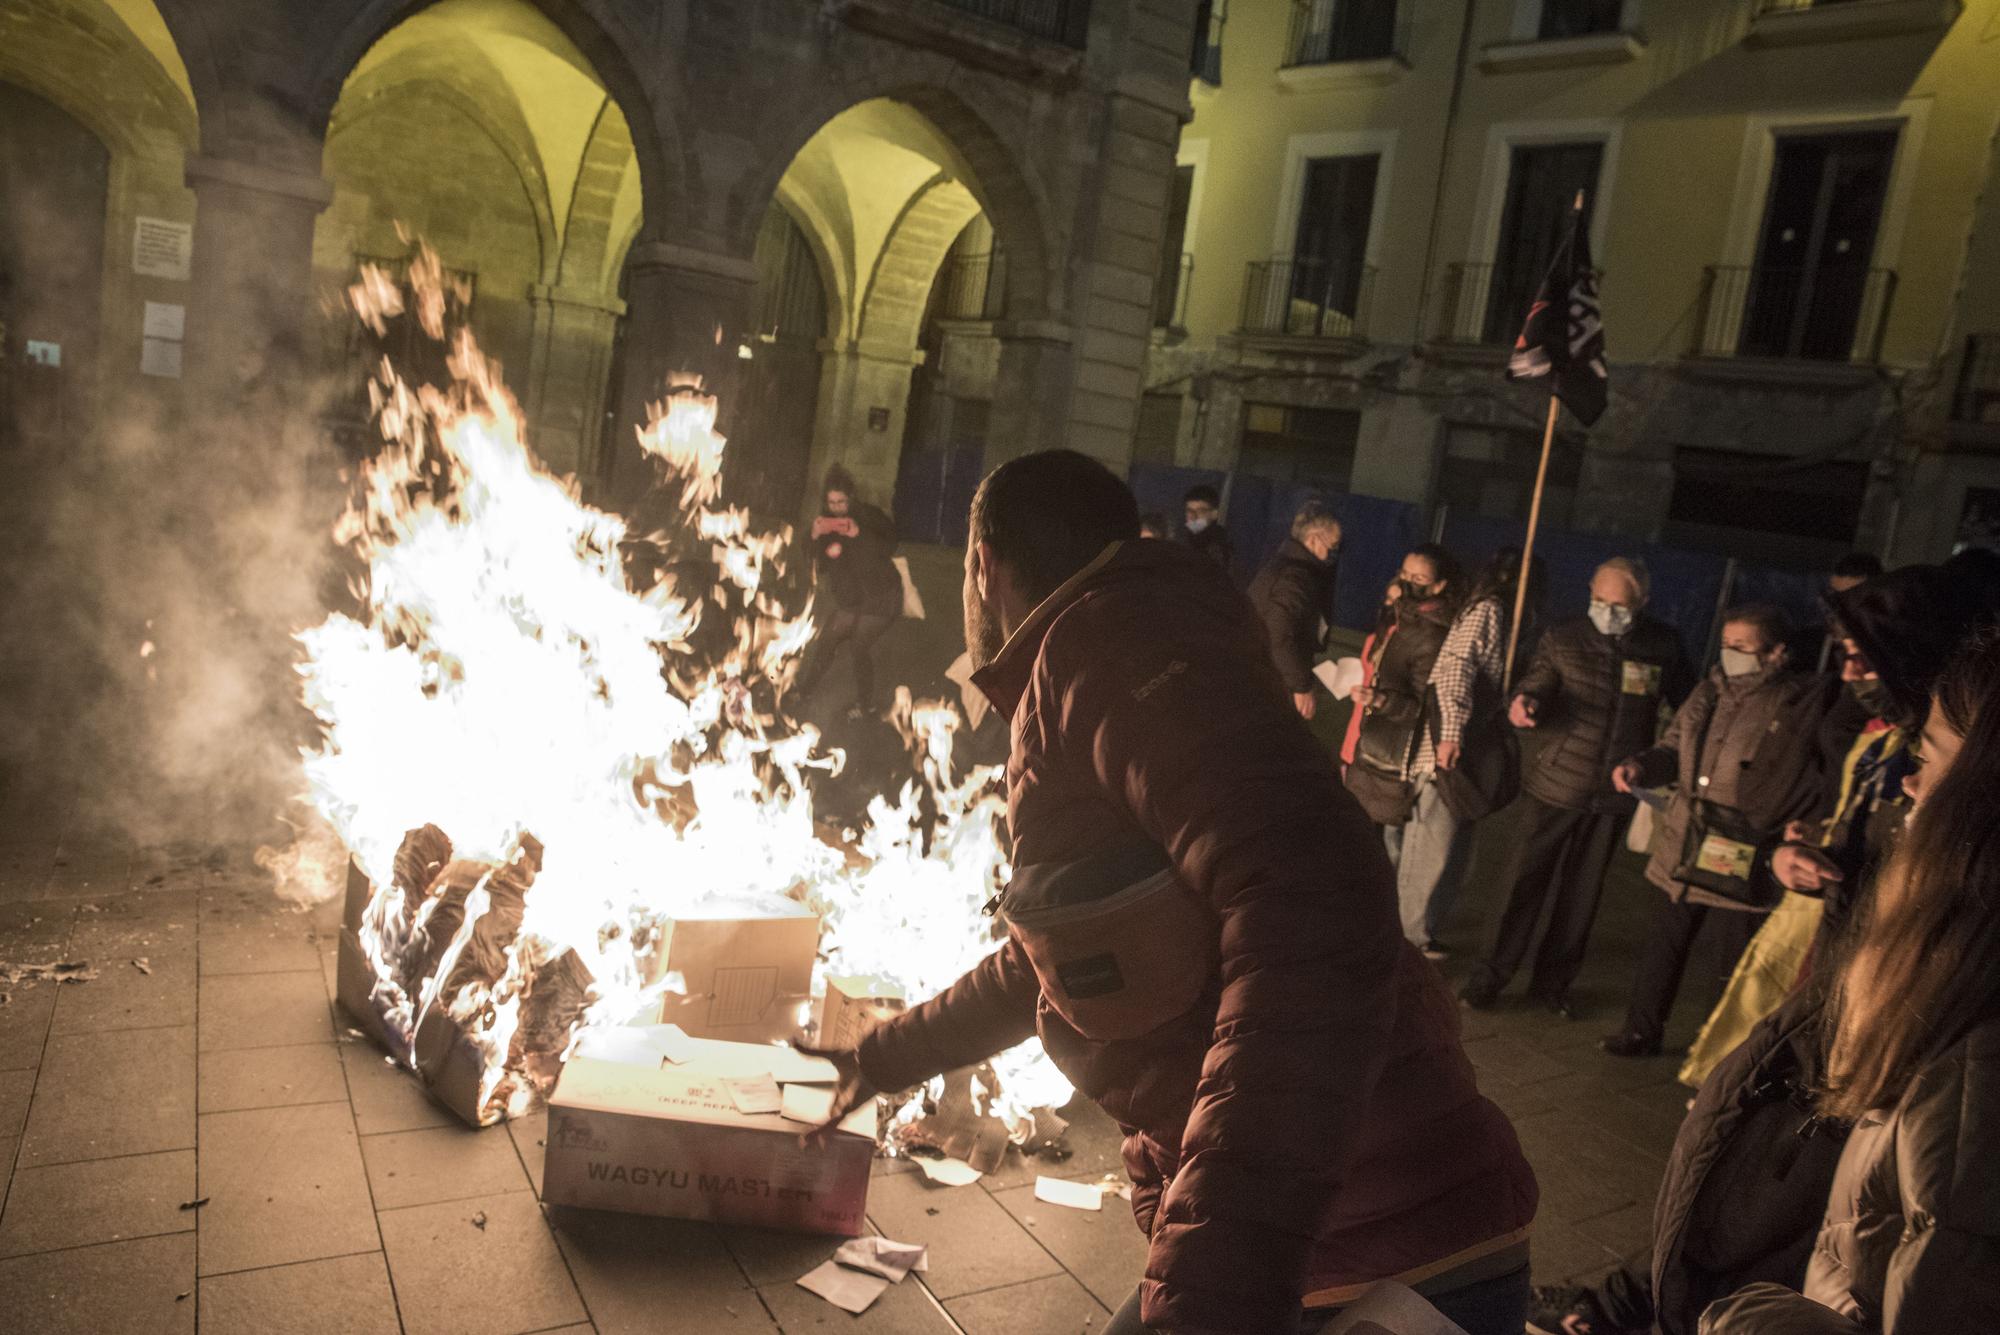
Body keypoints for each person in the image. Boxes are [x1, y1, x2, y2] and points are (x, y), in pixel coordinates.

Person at [802, 450, 1537, 1334]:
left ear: (983, 566)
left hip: (1374, 1250)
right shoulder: (1124, 646)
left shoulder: (1110, 649)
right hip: (1337, 1232)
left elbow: (1312, 915)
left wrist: (1216, 1280)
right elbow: (1076, 955)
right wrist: (884, 1056)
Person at [1702, 626, 2000, 1334]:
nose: (1909, 782)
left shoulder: (1967, 1068)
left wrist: (1759, 1319)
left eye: (1927, 757)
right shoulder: (1936, 1003)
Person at [1677, 565, 1990, 1089]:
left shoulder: (1948, 773)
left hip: (1879, 982)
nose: (1848, 674)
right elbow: (1852, 831)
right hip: (1831, 945)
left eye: (1864, 660)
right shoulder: (1875, 738)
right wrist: (1796, 854)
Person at [1597, 605, 1836, 1058]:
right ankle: (1640, 1030)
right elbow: (1672, 746)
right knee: (1664, 943)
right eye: (1726, 644)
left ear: (1777, 652)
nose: (1730, 655)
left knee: (1730, 956)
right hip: (1684, 838)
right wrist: (1642, 765)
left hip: (1739, 844)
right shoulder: (1708, 692)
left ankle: (1719, 1052)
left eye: (1742, 647)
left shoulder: (1792, 703)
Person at [1461, 558, 1692, 1016]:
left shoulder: (1662, 646)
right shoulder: (1563, 637)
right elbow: (1536, 685)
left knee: (1581, 897)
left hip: (1613, 794)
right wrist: (1526, 704)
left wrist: (1654, 765)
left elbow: (1689, 712)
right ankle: (1487, 979)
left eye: (1619, 605)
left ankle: (1552, 985)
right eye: (1599, 601)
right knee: (1519, 886)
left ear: (1642, 603)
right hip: (1555, 785)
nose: (1607, 611)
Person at [1392, 548, 1528, 958]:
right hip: (1445, 750)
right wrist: (1449, 736)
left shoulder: (1493, 613)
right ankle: (1405, 939)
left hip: (1469, 747)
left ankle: (1421, 928)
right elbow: (1453, 672)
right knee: (1427, 846)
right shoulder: (1487, 610)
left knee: (1448, 847)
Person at [794, 465, 902, 716]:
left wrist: (859, 534)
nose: (837, 507)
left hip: (882, 597)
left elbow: (890, 545)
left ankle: (865, 705)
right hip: (852, 600)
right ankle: (804, 691)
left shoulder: (869, 516)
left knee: (859, 646)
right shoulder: (827, 522)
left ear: (851, 498)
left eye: (841, 502)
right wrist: (813, 535)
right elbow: (816, 561)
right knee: (827, 641)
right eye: (831, 502)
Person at [1247, 501, 1342, 718]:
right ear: (1314, 539)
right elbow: (1278, 634)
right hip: (1272, 681)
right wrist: (1301, 686)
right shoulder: (1297, 578)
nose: (1335, 551)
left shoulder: (1282, 565)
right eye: (1333, 544)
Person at [1179, 483, 1233, 570]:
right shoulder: (1184, 541)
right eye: (1189, 511)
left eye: (1201, 511)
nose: (1193, 516)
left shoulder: (1216, 550)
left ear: (1214, 514)